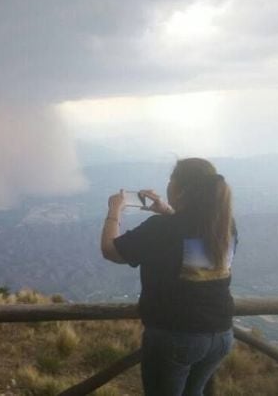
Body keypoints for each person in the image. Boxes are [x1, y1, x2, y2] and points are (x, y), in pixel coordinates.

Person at [100, 158, 237, 396]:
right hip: (221, 334)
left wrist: (114, 210)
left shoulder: (162, 228)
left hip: (176, 334)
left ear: (180, 189)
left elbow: (111, 250)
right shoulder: (225, 225)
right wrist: (168, 211)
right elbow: (187, 234)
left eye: (171, 179)